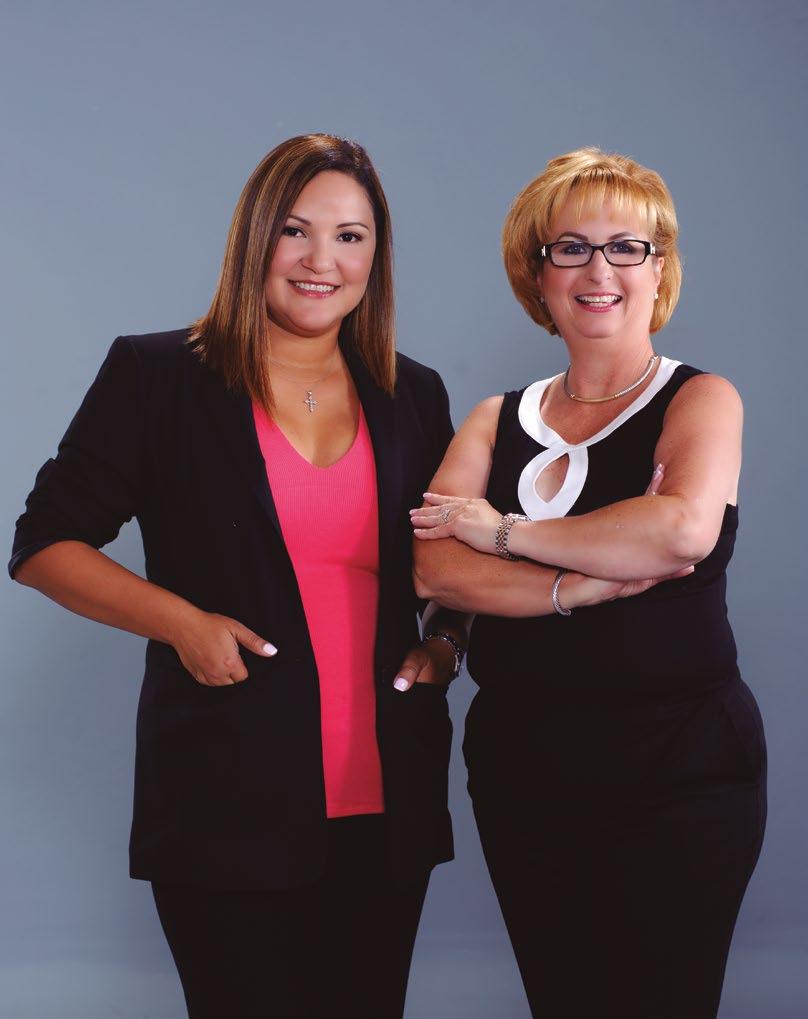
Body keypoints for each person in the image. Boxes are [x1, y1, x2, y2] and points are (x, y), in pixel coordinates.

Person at [10, 134, 468, 1019]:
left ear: (375, 256)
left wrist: (448, 642)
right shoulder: (157, 376)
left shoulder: (412, 393)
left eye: (350, 236)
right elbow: (44, 544)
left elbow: (456, 566)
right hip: (225, 793)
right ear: (255, 237)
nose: (321, 260)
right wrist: (180, 622)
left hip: (388, 792)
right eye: (296, 230)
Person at [411, 148, 766, 1019]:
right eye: (570, 248)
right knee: (564, 999)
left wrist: (503, 534)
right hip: (525, 767)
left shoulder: (701, 399)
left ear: (659, 268)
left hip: (681, 766)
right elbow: (435, 567)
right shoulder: (495, 418)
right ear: (537, 274)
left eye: (626, 247)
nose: (599, 270)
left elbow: (679, 530)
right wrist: (577, 585)